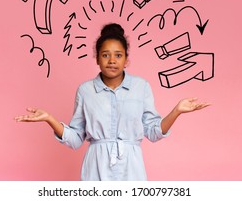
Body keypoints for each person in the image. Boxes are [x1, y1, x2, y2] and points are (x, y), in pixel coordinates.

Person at [15, 23, 210, 181]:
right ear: (97, 59)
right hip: (95, 169)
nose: (112, 60)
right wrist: (50, 119)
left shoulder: (141, 87)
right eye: (105, 55)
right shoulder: (85, 90)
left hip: (131, 170)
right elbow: (75, 139)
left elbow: (153, 132)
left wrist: (176, 111)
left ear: (126, 59)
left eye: (118, 55)